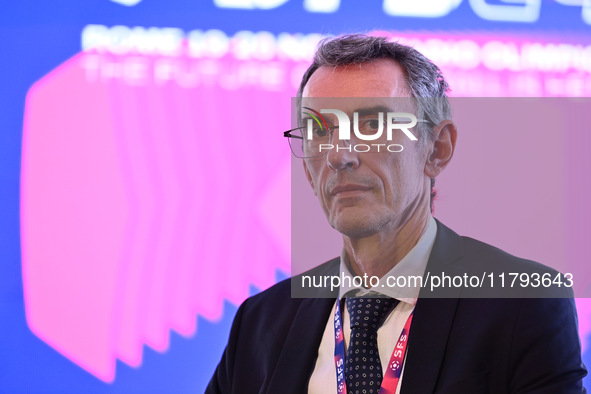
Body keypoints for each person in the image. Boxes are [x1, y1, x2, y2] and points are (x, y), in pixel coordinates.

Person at [206, 34, 587, 393]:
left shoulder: (522, 302)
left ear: (437, 149)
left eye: (373, 125)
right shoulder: (260, 322)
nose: (340, 155)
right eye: (319, 129)